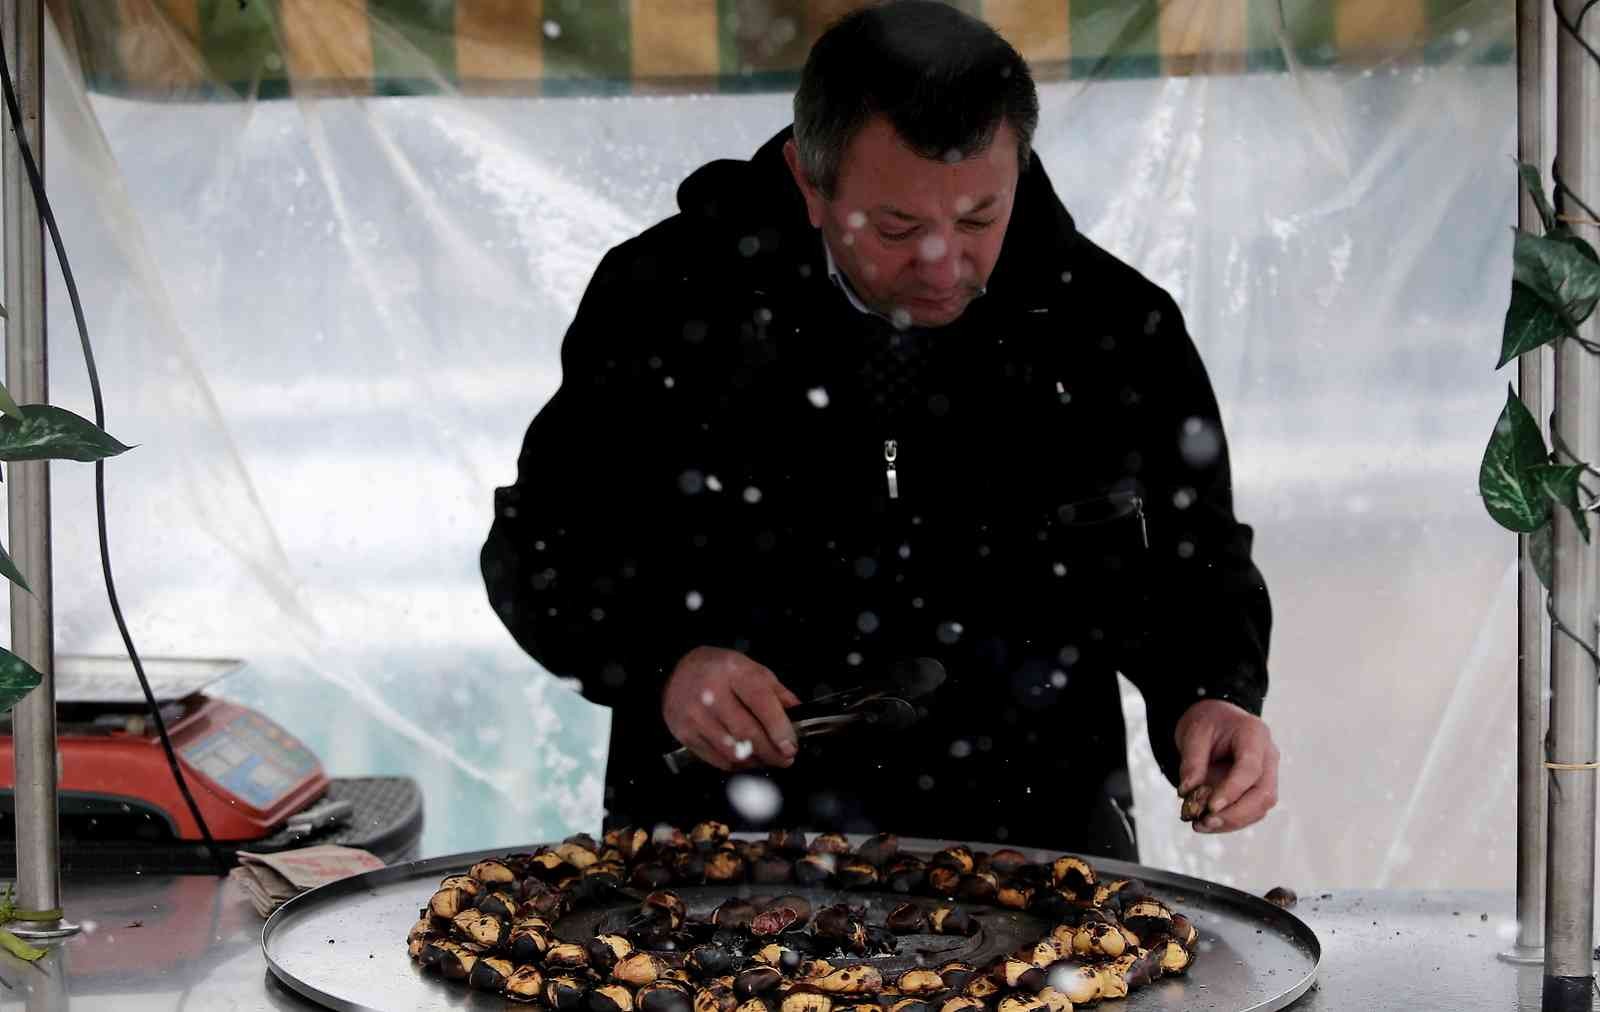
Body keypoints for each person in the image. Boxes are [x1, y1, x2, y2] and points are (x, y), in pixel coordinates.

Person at [482, 0, 1278, 859]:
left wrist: (1212, 696)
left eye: (980, 217)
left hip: (1035, 841)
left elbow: (1198, 565)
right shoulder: (668, 303)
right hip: (718, 848)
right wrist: (664, 667)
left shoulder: (1111, 327)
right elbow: (540, 549)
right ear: (808, 182)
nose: (942, 261)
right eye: (897, 226)